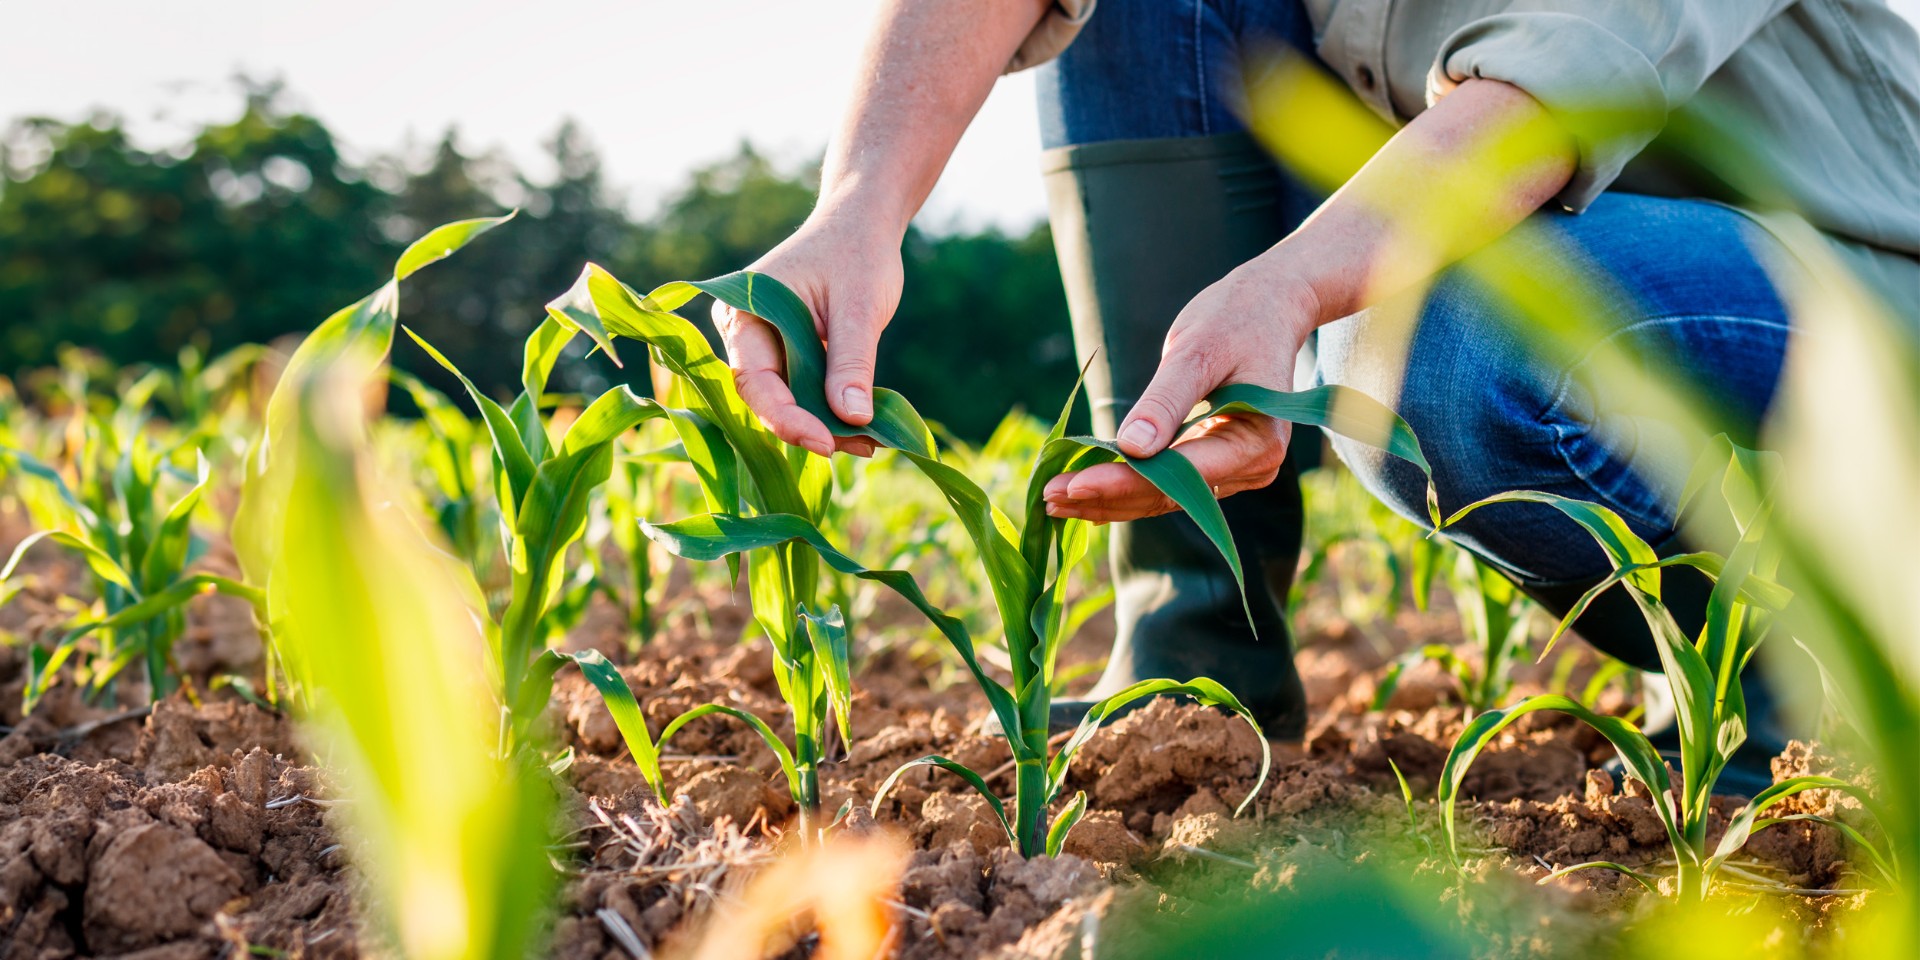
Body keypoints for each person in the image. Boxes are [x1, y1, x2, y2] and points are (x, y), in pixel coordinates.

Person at [712, 0, 1920, 793]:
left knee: (1432, 332)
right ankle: (1198, 665)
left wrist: (1295, 287)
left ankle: (1828, 684)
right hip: (1586, 259)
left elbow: (1560, 84)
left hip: (1857, 295)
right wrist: (858, 208)